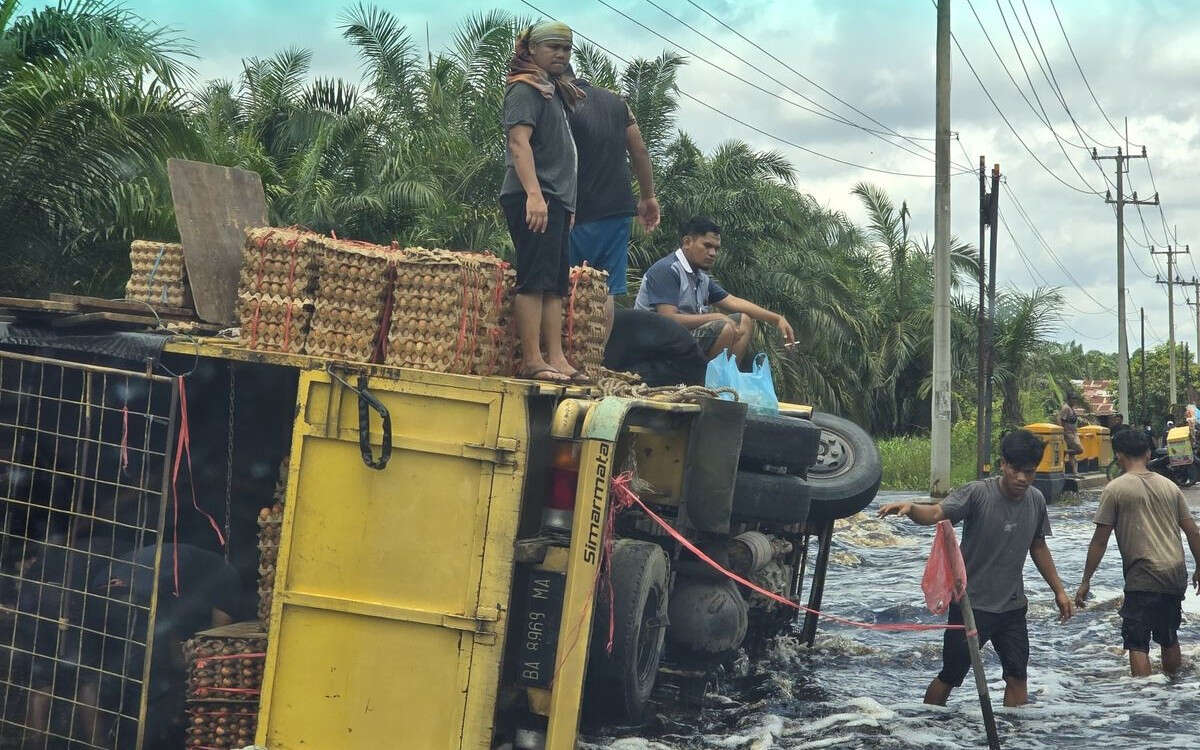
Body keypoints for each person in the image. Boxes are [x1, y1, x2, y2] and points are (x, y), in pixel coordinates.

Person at [878, 429, 1075, 707]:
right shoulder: (977, 494)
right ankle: (925, 724)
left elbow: (1038, 547)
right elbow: (936, 513)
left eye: (1029, 473)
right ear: (1003, 464)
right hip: (971, 607)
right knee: (951, 675)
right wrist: (911, 508)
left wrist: (1060, 591)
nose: (1021, 479)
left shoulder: (1036, 500)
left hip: (1012, 608)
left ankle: (1015, 734)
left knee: (1018, 676)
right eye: (1016, 470)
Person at [500, 21, 589, 385]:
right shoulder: (525, 89)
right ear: (532, 50)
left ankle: (556, 357)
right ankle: (533, 359)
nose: (561, 54)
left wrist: (565, 206)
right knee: (534, 279)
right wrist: (535, 196)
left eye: (566, 49)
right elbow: (519, 143)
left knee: (554, 283)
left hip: (555, 199)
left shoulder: (554, 91)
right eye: (553, 47)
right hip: (532, 195)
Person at [1074, 429, 1200, 677]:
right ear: (1148, 453)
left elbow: (1099, 541)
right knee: (1169, 637)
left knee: (1137, 642)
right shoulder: (1170, 487)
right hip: (1174, 574)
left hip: (1142, 575)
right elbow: (1193, 532)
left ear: (1119, 455)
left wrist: (1085, 581)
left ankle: (1143, 698)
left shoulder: (1116, 489)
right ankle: (1173, 689)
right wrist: (1199, 567)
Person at [566, 67, 660, 338]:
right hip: (617, 208)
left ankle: (565, 354)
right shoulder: (616, 102)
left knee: (567, 284)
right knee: (605, 286)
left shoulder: (561, 100)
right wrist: (648, 196)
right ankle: (597, 358)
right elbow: (639, 150)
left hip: (576, 209)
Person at [634, 217, 795, 364]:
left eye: (716, 249)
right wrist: (717, 316)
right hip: (655, 347)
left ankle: (725, 382)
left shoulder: (700, 277)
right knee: (723, 327)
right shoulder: (667, 269)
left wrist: (777, 319)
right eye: (707, 246)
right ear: (687, 242)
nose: (713, 253)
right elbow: (667, 319)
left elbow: (732, 302)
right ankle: (706, 384)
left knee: (743, 320)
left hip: (681, 341)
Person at [1057, 400, 1082, 475]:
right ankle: (1065, 452)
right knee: (1079, 449)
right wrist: (1062, 430)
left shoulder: (1071, 408)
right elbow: (1060, 419)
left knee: (1072, 454)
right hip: (1068, 433)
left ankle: (1074, 471)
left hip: (1073, 433)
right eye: (1073, 399)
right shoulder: (1066, 408)